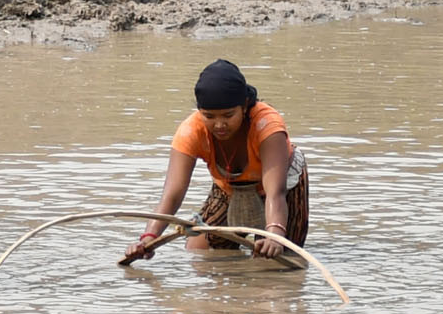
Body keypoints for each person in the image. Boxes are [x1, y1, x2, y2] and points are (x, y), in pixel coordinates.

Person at [125, 59, 309, 265]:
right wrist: (148, 238)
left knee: (277, 260)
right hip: (229, 186)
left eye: (228, 115)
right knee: (200, 252)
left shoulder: (267, 126)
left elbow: (276, 192)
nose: (219, 125)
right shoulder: (191, 131)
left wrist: (274, 235)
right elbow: (172, 195)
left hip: (281, 187)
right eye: (209, 116)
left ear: (245, 106)